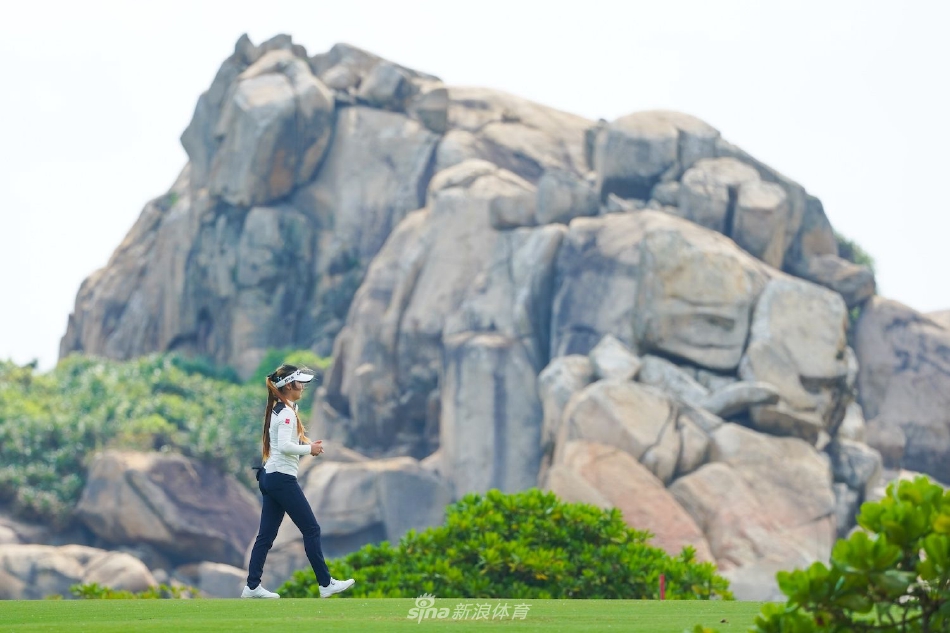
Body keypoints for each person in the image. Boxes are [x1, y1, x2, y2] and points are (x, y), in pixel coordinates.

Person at [241, 364, 356, 599]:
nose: (303, 386)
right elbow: (284, 446)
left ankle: (252, 586)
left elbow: (285, 442)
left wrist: (308, 444)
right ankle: (325, 584)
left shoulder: (284, 408)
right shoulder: (285, 412)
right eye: (300, 382)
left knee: (266, 536)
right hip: (281, 479)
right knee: (311, 529)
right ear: (288, 385)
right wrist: (309, 449)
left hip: (270, 477)